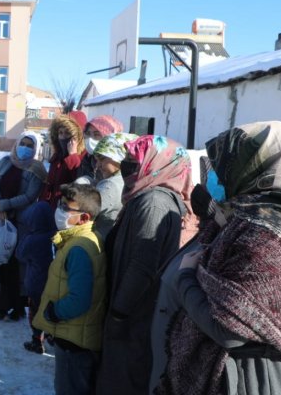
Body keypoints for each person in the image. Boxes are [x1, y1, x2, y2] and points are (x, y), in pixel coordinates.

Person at [152, 121, 281, 395]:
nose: (218, 176)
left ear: (255, 168)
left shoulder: (265, 235)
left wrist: (186, 278)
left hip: (247, 380)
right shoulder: (272, 221)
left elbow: (229, 330)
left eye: (227, 167)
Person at [96, 135, 191, 395]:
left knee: (124, 379)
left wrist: (118, 312)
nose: (127, 165)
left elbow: (142, 266)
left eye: (133, 161)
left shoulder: (154, 203)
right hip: (130, 313)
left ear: (155, 163)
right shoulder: (144, 196)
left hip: (133, 317)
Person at [32, 183, 106, 394]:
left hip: (74, 341)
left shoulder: (79, 248)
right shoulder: (84, 239)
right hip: (76, 334)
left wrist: (54, 312)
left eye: (66, 208)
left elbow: (79, 299)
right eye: (60, 204)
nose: (59, 210)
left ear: (84, 218)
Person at [0, 131, 47, 322]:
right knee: (0, 262)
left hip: (21, 223)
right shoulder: (5, 162)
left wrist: (5, 205)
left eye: (30, 145)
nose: (25, 148)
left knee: (18, 266)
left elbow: (30, 196)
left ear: (35, 149)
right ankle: (0, 306)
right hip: (1, 220)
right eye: (23, 143)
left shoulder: (37, 169)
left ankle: (18, 307)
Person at [14, 201, 56, 354]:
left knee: (35, 313)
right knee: (51, 311)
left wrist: (26, 236)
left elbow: (20, 255)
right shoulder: (57, 236)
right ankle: (52, 336)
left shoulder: (32, 240)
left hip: (36, 285)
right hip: (54, 285)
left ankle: (37, 340)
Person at [90, 132, 138, 242]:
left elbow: (80, 210)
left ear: (118, 156)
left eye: (102, 159)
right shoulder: (129, 180)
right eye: (96, 160)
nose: (97, 165)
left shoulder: (111, 185)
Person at [40, 112, 89, 208]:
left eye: (68, 133)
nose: (63, 137)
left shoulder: (85, 157)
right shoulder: (58, 156)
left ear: (78, 136)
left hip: (65, 210)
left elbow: (78, 182)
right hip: (50, 206)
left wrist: (73, 156)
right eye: (60, 133)